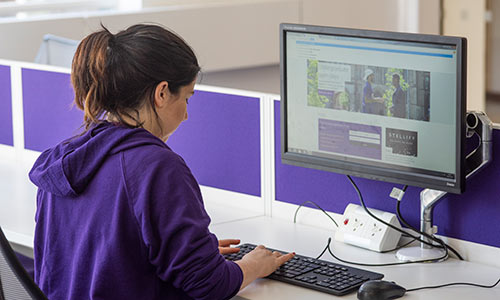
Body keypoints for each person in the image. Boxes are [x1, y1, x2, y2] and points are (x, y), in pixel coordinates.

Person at [28, 24, 294, 300]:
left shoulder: (63, 160)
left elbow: (98, 256)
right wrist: (253, 265)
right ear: (162, 93)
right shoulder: (156, 167)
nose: (187, 115)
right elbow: (208, 285)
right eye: (187, 98)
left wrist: (190, 253)